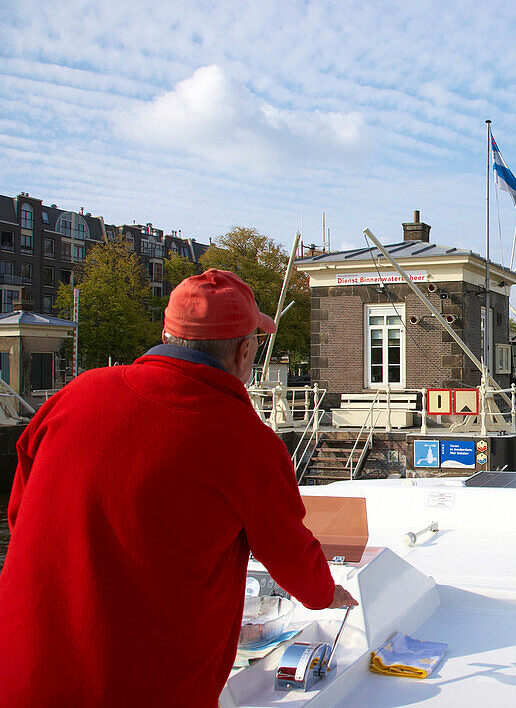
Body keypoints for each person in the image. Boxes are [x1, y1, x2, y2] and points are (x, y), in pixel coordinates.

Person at [0, 269, 358, 707]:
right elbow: (288, 551)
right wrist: (326, 593)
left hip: (23, 670)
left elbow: (20, 513)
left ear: (167, 333)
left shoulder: (74, 396)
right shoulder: (246, 441)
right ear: (245, 351)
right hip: (147, 686)